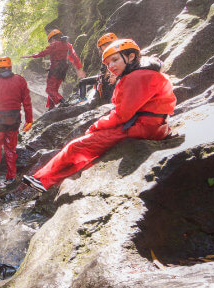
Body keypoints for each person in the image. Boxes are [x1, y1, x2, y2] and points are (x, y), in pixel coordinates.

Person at [22, 39, 176, 192]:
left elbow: (122, 115)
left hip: (142, 127)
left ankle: (41, 179)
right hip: (149, 126)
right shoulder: (143, 73)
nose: (111, 66)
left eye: (115, 60)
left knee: (76, 146)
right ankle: (48, 180)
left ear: (130, 57)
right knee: (87, 151)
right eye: (108, 64)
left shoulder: (137, 77)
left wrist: (96, 125)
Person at [0, 56, 33, 187]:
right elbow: (27, 102)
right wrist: (29, 120)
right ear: (10, 67)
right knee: (10, 150)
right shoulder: (20, 80)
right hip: (14, 121)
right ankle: (11, 177)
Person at [23, 29, 86, 109]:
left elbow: (44, 53)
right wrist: (79, 68)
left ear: (52, 39)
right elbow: (74, 57)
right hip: (63, 70)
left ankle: (63, 102)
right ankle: (51, 107)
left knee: (50, 90)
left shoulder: (55, 44)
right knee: (54, 89)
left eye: (50, 42)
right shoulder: (68, 45)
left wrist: (33, 55)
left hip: (55, 69)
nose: (50, 43)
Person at [75, 32, 119, 104]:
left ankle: (109, 102)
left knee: (108, 86)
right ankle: (82, 99)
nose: (100, 50)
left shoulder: (117, 54)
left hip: (111, 79)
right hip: (103, 77)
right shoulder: (107, 55)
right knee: (82, 81)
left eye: (102, 47)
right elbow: (104, 70)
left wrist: (114, 76)